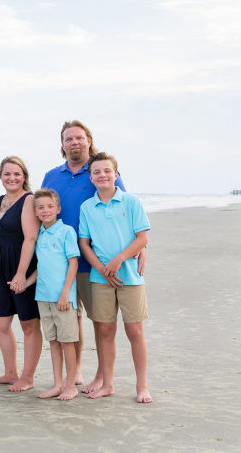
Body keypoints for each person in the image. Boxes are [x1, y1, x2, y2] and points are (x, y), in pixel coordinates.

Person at [40, 120, 135, 392]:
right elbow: (43, 210)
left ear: (89, 140)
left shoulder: (99, 171)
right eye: (69, 139)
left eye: (79, 138)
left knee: (101, 321)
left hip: (95, 260)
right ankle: (76, 369)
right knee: (71, 318)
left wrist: (142, 249)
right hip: (60, 263)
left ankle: (103, 377)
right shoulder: (52, 176)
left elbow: (125, 211)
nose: (74, 143)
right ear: (62, 144)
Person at [78, 153, 151, 403]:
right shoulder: (87, 207)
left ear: (116, 174)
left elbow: (142, 238)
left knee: (134, 331)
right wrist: (101, 267)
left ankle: (142, 385)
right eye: (97, 172)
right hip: (100, 279)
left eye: (107, 171)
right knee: (105, 330)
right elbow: (84, 243)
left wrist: (118, 260)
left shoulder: (130, 202)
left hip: (130, 277)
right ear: (91, 177)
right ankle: (107, 384)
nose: (102, 175)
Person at [0, 156, 42, 392]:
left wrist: (21, 274)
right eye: (7, 174)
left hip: (23, 265)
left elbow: (30, 238)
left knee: (29, 324)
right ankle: (11, 372)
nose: (12, 178)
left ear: (24, 176)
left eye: (17, 174)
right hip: (0, 264)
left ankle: (27, 377)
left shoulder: (28, 200)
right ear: (1, 176)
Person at [31, 189, 80, 401]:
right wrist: (24, 282)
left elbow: (73, 263)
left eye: (50, 206)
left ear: (58, 209)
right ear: (35, 212)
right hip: (43, 296)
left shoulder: (66, 231)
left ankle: (71, 385)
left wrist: (65, 294)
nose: (46, 210)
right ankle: (58, 384)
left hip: (63, 298)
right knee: (53, 341)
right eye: (41, 207)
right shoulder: (39, 234)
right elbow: (41, 267)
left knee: (67, 341)